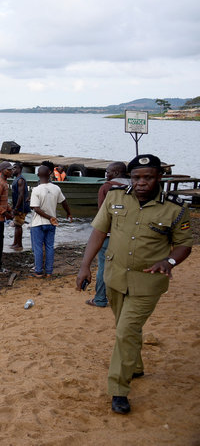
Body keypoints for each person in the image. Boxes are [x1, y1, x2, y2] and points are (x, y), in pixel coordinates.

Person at [75, 154, 192, 415]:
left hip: (148, 281)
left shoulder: (175, 207)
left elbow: (184, 244)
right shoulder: (115, 198)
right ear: (130, 178)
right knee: (124, 326)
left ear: (159, 177)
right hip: (115, 277)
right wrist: (85, 266)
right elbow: (98, 232)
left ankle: (119, 389)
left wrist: (169, 261)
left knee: (125, 329)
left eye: (148, 177)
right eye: (136, 177)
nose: (141, 183)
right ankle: (136, 366)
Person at [87, 162, 132, 307]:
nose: (106, 174)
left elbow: (102, 215)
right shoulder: (136, 185)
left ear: (117, 172)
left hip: (109, 235)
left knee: (103, 266)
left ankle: (100, 298)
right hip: (129, 235)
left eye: (108, 171)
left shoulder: (107, 187)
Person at [28, 166, 72, 277]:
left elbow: (36, 208)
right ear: (50, 174)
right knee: (49, 247)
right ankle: (49, 271)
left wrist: (48, 217)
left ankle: (38, 270)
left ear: (38, 175)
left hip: (38, 223)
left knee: (38, 248)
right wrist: (68, 213)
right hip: (51, 224)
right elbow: (64, 202)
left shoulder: (36, 190)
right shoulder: (56, 188)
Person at [10, 163, 31, 250]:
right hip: (18, 206)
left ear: (20, 169)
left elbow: (21, 195)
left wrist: (16, 208)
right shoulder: (16, 179)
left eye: (15, 168)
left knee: (18, 225)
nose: (13, 170)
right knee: (16, 224)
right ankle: (15, 242)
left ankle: (19, 244)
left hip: (21, 207)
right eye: (12, 168)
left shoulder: (20, 180)